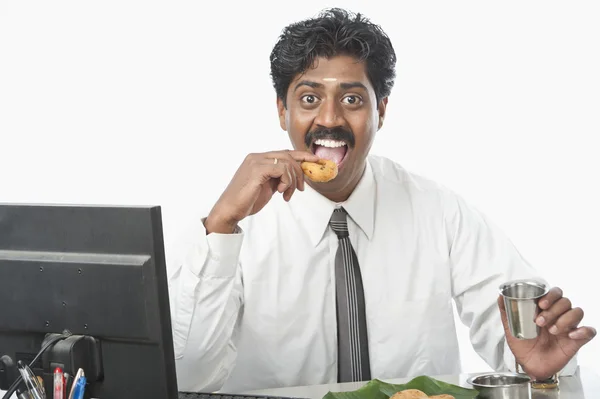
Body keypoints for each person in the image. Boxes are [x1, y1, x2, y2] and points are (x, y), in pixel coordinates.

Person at [167, 8, 596, 394]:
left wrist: (538, 369)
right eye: (309, 98)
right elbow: (188, 378)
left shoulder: (438, 211)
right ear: (282, 111)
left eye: (352, 99)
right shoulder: (236, 225)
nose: (330, 118)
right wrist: (221, 223)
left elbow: (523, 343)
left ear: (382, 111)